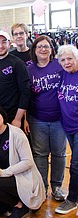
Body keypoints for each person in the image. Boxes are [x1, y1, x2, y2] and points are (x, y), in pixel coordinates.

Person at [0, 104, 45, 218]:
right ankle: (21, 202)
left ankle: (20, 205)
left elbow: (28, 162)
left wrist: (4, 172)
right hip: (6, 180)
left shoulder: (17, 134)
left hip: (22, 177)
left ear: (3, 116)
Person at [27, 35, 66, 201]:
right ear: (34, 50)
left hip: (59, 119)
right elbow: (26, 94)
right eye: (39, 47)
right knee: (40, 154)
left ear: (52, 50)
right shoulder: (29, 69)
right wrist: (25, 119)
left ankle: (57, 187)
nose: (43, 49)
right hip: (37, 119)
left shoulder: (60, 65)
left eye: (46, 46)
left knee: (59, 153)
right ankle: (43, 187)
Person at [0, 31, 31, 127]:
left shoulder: (18, 63)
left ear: (9, 44)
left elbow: (25, 92)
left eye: (4, 42)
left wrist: (18, 119)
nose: (0, 46)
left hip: (13, 117)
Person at [55, 45, 78, 214]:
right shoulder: (62, 75)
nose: (66, 62)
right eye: (63, 60)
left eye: (70, 59)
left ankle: (72, 199)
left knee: (75, 164)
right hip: (67, 125)